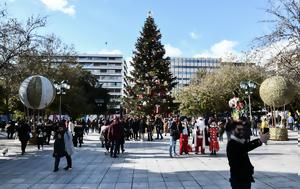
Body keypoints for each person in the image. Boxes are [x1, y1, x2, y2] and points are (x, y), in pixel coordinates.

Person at [227, 121, 269, 189]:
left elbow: (245, 146)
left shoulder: (237, 142)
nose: (242, 132)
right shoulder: (232, 144)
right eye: (239, 130)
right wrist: (259, 141)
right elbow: (245, 148)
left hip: (243, 178)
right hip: (239, 179)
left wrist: (260, 140)